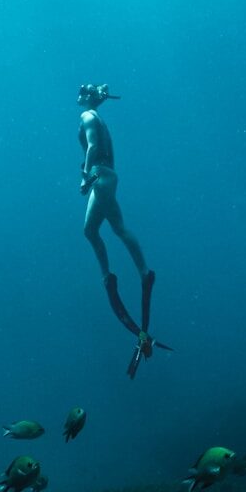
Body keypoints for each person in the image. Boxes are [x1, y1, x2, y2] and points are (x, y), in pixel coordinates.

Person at [77, 83, 169, 377]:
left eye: (82, 91)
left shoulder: (88, 117)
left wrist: (85, 178)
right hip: (106, 176)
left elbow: (92, 146)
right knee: (102, 229)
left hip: (100, 177)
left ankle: (120, 275)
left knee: (104, 230)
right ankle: (134, 272)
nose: (78, 95)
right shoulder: (99, 118)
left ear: (90, 97)